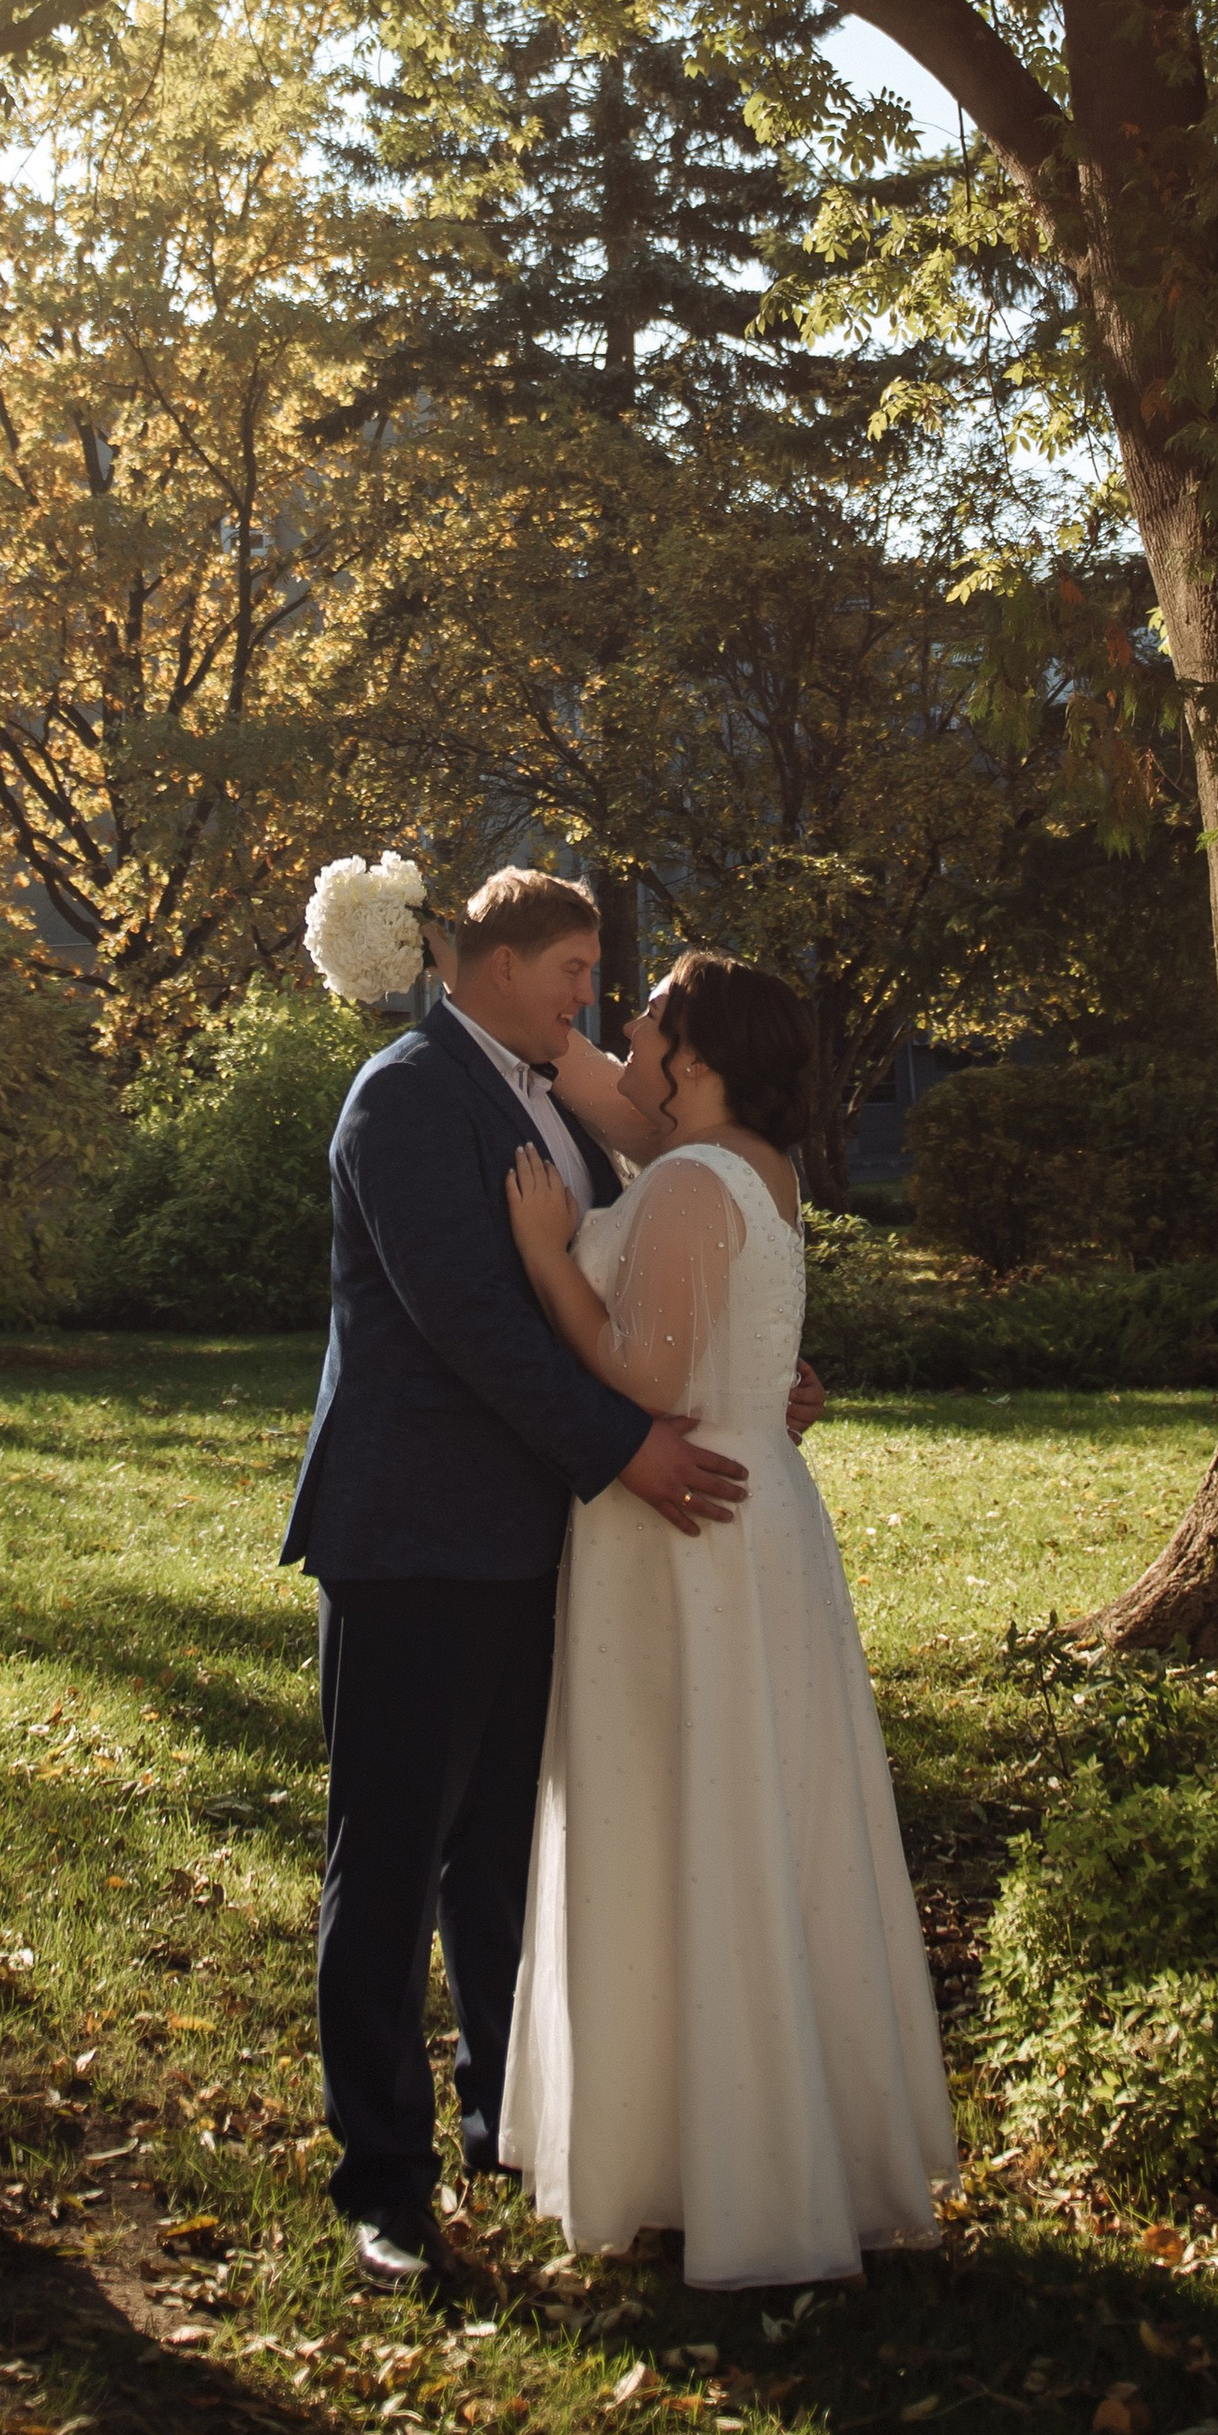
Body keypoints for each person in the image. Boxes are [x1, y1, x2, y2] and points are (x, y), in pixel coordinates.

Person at [278, 869, 826, 2299]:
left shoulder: (548, 1101)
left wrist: (741, 1380)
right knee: (391, 1860)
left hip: (541, 1540)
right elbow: (466, 1317)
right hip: (412, 1535)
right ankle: (382, 2184)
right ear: (497, 960)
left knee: (509, 1861)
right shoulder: (402, 1098)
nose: (591, 996)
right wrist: (627, 1450)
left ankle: (497, 2122)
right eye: (577, 969)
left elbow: (650, 1280)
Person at [498, 950, 958, 2288]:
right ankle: (744, 2141)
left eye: (646, 1017)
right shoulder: (759, 1165)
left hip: (686, 1533)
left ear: (692, 1054)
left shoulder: (698, 1183)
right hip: (754, 1516)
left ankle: (718, 2162)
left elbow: (642, 1368)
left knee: (689, 1812)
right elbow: (727, 1323)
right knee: (752, 1815)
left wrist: (542, 1254)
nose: (626, 1027)